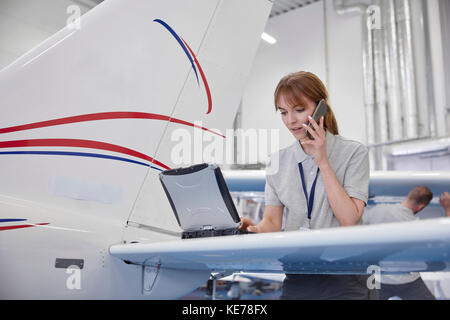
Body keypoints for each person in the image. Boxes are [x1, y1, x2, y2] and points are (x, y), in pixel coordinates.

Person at [240, 71, 372, 300]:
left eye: (299, 110)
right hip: (298, 273)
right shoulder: (277, 161)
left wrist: (322, 161)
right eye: (283, 112)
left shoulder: (353, 153)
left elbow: (349, 219)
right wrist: (252, 230)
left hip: (345, 274)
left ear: (321, 107)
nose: (290, 120)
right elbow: (272, 222)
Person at [362, 186, 436, 300]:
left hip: (378, 279)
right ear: (421, 207)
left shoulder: (379, 210)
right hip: (408, 281)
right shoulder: (418, 226)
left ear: (408, 196)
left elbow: (357, 227)